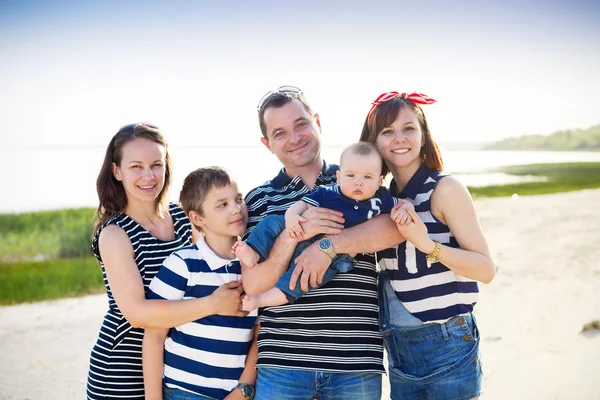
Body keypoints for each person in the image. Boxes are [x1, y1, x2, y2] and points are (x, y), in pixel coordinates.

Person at [241, 87, 405, 400]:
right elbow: (252, 283)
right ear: (267, 143)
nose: (294, 137)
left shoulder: (357, 174)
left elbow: (395, 229)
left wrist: (326, 247)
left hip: (355, 361)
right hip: (283, 362)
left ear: (317, 122)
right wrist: (295, 236)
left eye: (301, 124)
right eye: (280, 132)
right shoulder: (257, 199)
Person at [87, 124, 246, 400]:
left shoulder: (183, 216)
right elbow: (136, 314)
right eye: (136, 166)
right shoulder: (114, 233)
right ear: (117, 171)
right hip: (123, 370)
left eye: (156, 165)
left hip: (178, 368)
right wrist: (214, 304)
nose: (148, 176)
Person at [359, 91, 495, 400]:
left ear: (423, 136)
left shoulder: (445, 189)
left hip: (447, 343)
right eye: (387, 131)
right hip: (398, 349)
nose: (399, 138)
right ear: (374, 142)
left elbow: (486, 270)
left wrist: (426, 244)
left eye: (408, 128)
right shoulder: (380, 199)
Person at [234, 142, 411, 311]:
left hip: (338, 258)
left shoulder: (379, 200)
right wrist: (292, 218)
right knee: (271, 222)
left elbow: (402, 214)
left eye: (367, 177)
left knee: (300, 279)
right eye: (351, 176)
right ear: (339, 176)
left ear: (379, 181)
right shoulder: (329, 191)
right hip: (301, 227)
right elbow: (302, 205)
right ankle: (253, 252)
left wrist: (405, 209)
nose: (358, 182)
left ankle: (261, 300)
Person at [143, 166, 258, 400]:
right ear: (197, 218)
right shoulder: (183, 263)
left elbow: (259, 330)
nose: (237, 209)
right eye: (222, 204)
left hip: (234, 394)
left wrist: (243, 391)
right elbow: (154, 335)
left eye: (238, 199)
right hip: (183, 392)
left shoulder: (254, 267)